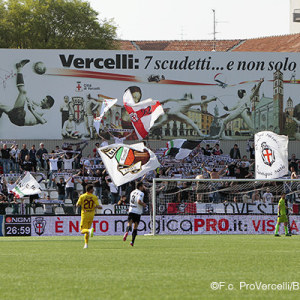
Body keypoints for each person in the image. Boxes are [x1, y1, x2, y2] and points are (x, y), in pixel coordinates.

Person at [0, 59, 55, 126]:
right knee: (1, 106)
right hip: (17, 118)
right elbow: (30, 100)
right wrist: (28, 100)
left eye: (44, 100)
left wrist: (31, 109)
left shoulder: (48, 112)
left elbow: (43, 121)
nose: (41, 101)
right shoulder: (40, 106)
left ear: (48, 104)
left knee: (23, 92)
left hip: (20, 117)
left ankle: (19, 68)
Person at [76, 185, 102, 249]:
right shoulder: (94, 197)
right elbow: (98, 206)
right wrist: (96, 206)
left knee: (82, 230)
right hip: (91, 215)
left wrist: (79, 199)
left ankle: (89, 231)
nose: (93, 190)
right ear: (90, 190)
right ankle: (86, 244)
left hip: (85, 215)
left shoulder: (82, 196)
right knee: (87, 230)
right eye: (92, 189)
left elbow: (77, 205)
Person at [123, 181, 147, 246]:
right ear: (140, 186)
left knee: (129, 224)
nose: (143, 187)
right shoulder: (141, 193)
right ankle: (132, 242)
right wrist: (144, 204)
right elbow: (139, 201)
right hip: (137, 212)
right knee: (135, 227)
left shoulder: (132, 192)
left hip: (131, 210)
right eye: (142, 186)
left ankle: (127, 232)